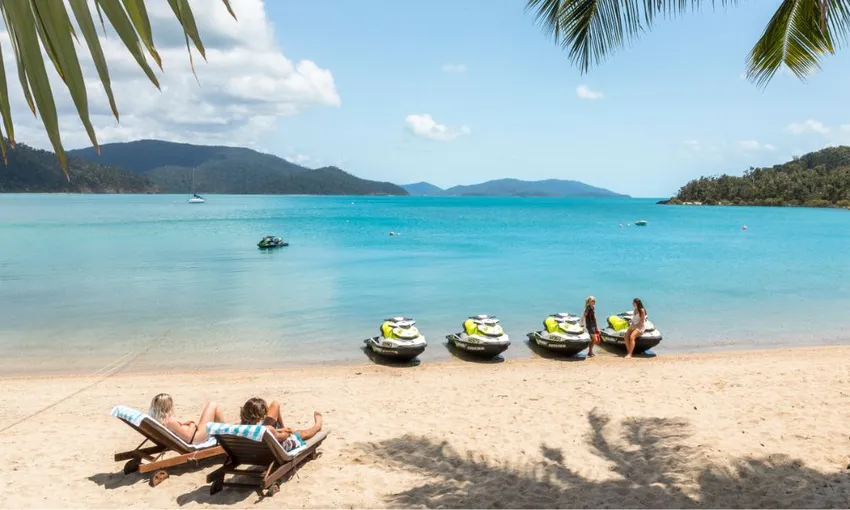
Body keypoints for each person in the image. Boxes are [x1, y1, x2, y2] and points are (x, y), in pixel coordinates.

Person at [240, 397, 323, 451]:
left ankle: (284, 427)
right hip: (272, 451)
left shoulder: (241, 428)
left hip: (256, 450)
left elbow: (267, 433)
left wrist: (281, 429)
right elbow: (283, 436)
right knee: (300, 433)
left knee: (275, 404)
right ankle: (317, 426)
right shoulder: (268, 429)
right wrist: (288, 432)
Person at [148, 393, 225, 444]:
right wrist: (192, 425)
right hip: (197, 437)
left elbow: (177, 430)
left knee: (213, 409)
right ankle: (226, 434)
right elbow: (189, 438)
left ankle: (224, 433)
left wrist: (183, 425)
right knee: (213, 405)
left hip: (195, 435)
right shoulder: (170, 421)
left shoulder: (159, 420)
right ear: (167, 406)